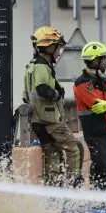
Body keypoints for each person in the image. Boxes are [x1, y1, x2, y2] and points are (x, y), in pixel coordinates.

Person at [23, 26, 84, 188]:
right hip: (49, 120)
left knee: (53, 154)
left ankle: (53, 189)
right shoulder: (42, 67)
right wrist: (57, 94)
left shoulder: (31, 66)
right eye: (58, 48)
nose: (59, 52)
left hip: (38, 120)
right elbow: (42, 88)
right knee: (74, 148)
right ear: (49, 47)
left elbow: (26, 95)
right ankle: (74, 184)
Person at [73, 41, 106, 190]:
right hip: (95, 131)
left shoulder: (103, 80)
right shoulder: (82, 83)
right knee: (100, 164)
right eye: (103, 59)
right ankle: (98, 195)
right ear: (95, 60)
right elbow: (96, 104)